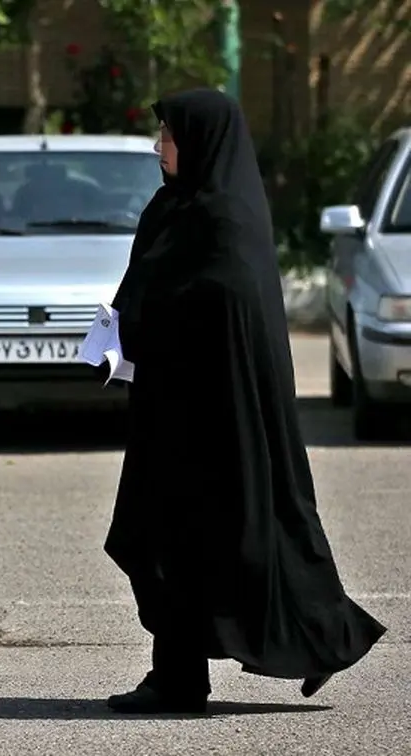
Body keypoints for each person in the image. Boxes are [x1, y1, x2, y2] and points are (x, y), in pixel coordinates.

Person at [104, 88, 387, 714]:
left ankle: (324, 636)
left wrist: (152, 319)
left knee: (246, 537)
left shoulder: (226, 219)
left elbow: (222, 309)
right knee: (163, 538)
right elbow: (148, 286)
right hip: (169, 413)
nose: (159, 148)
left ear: (202, 141)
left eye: (169, 137)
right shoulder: (174, 207)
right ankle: (178, 678)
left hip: (219, 419)